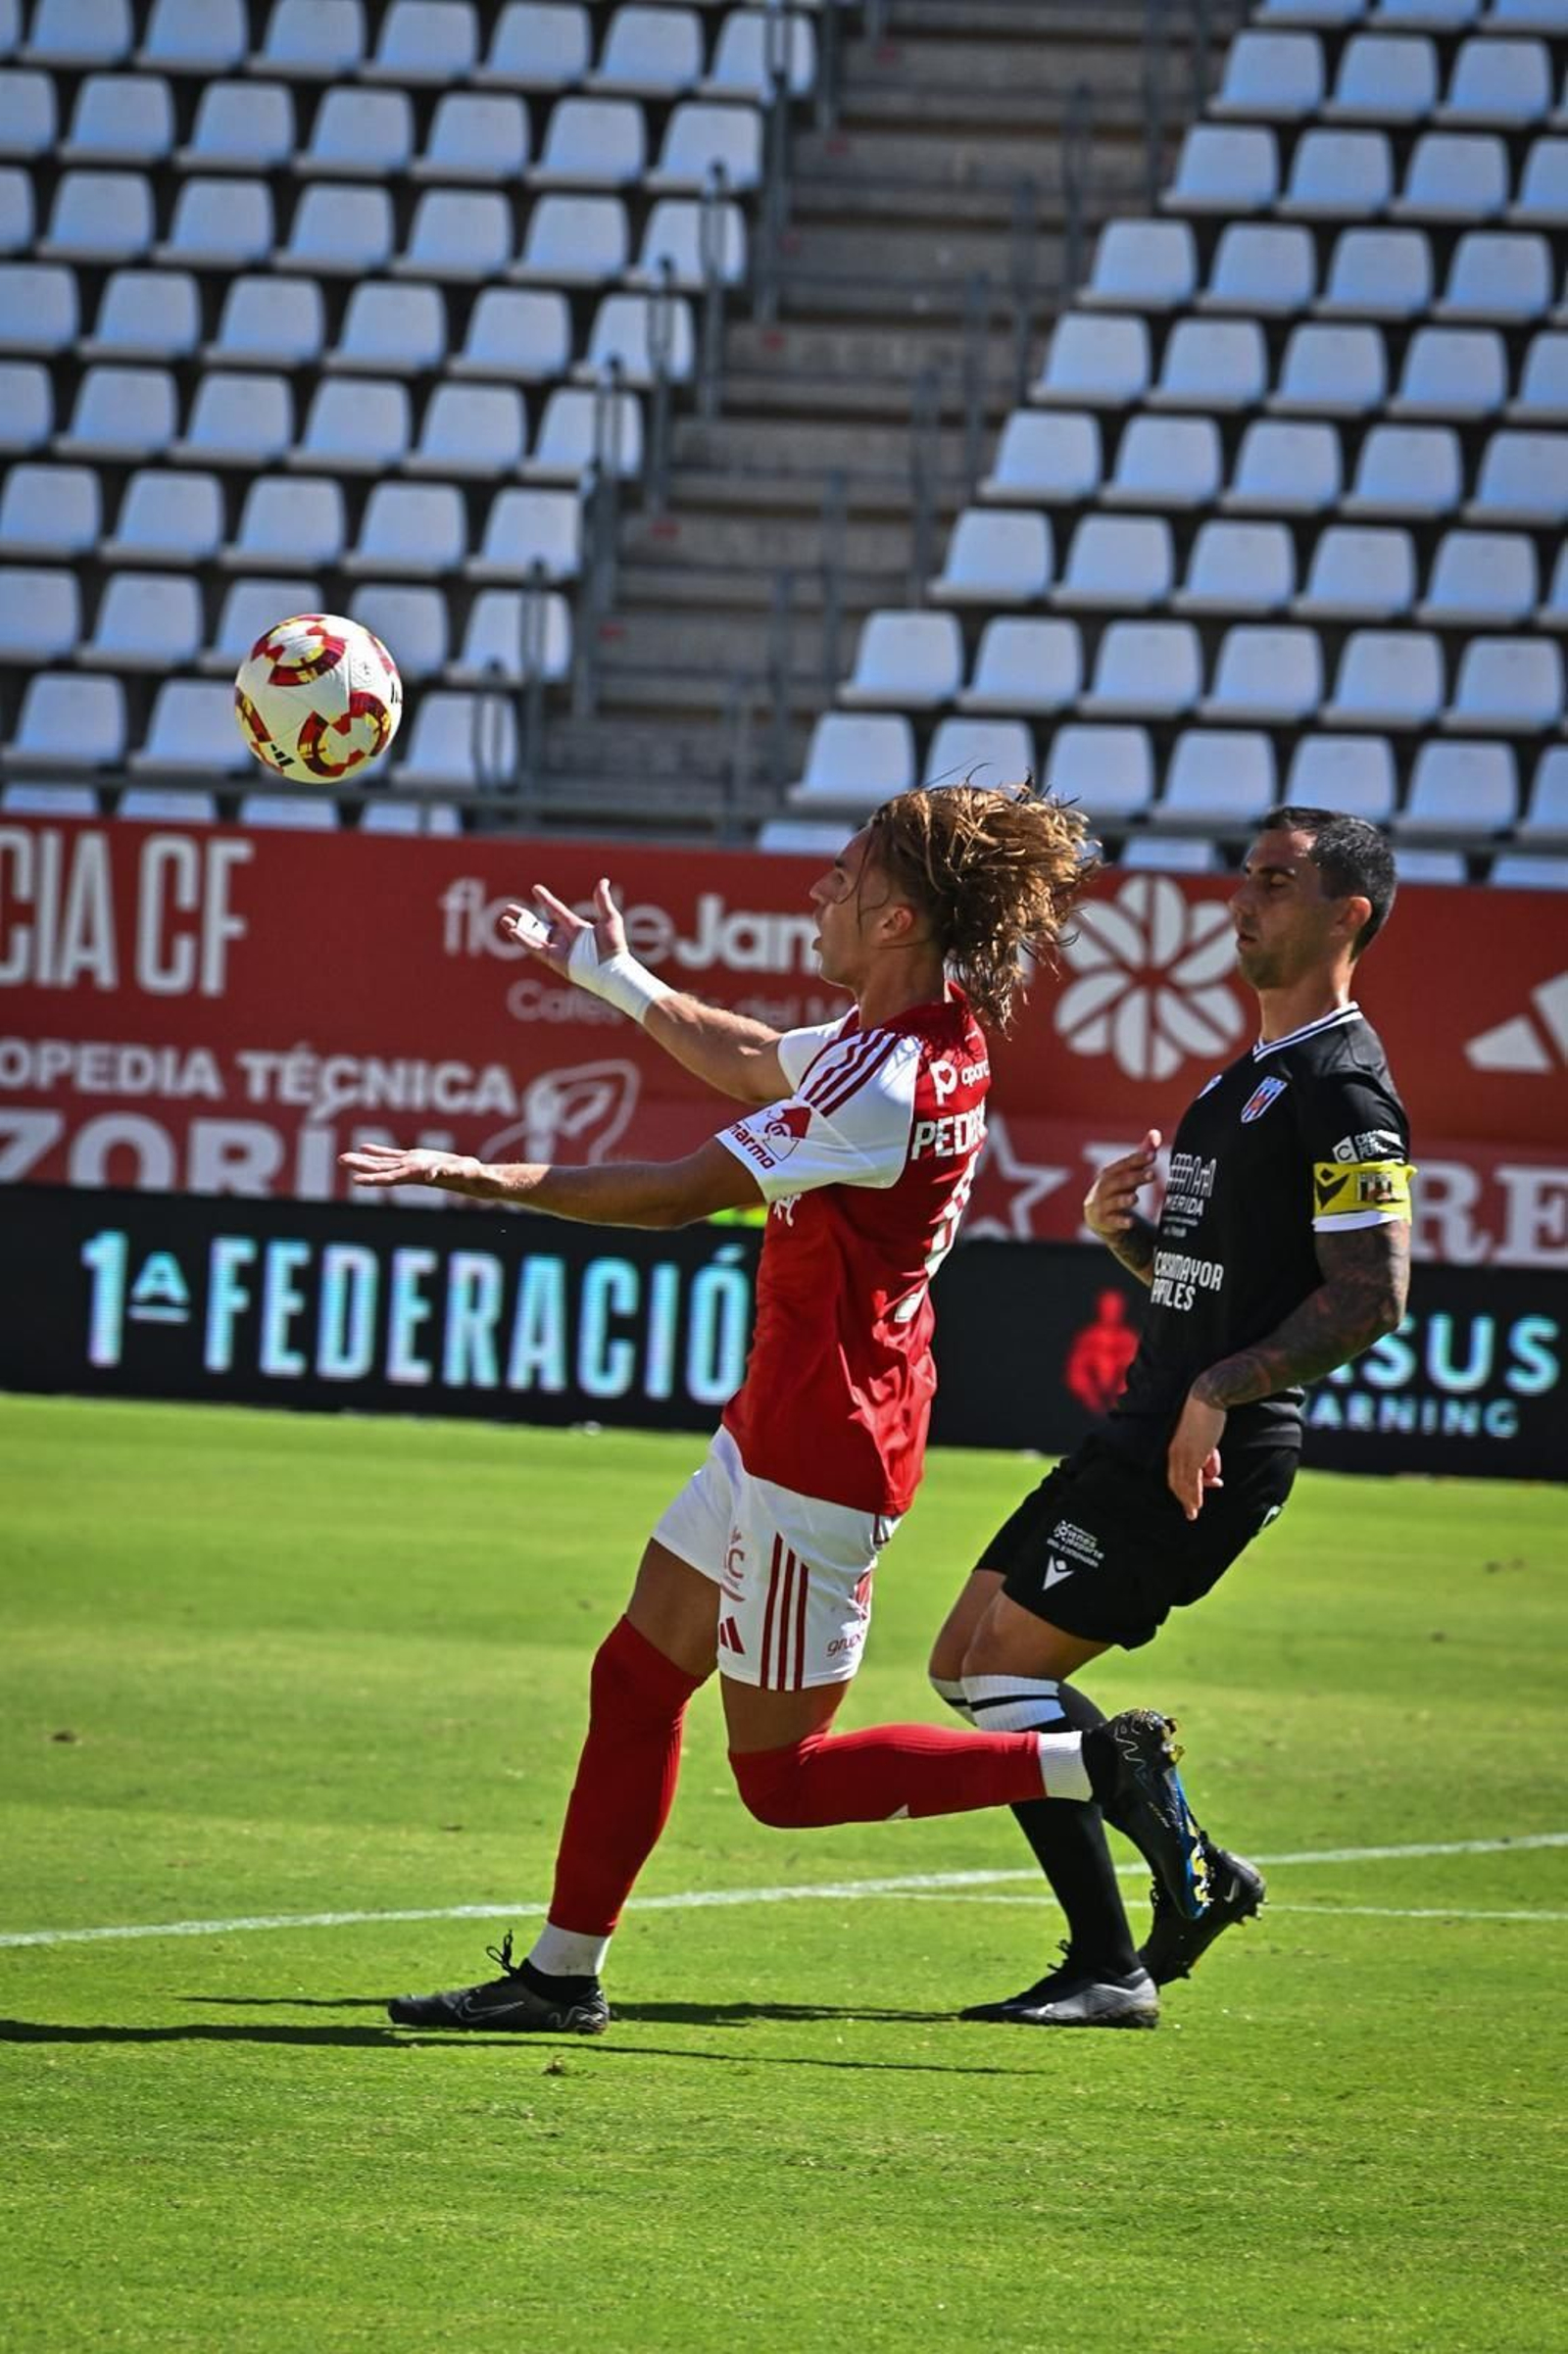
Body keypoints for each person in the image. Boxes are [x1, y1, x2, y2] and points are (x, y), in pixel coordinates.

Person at [342, 783, 1205, 2034]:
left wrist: (486, 1176)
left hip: (821, 1451)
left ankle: (1091, 1761)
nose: (818, 894)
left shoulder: (887, 1080)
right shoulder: (909, 1035)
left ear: (898, 915)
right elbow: (752, 1056)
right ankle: (559, 1972)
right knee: (635, 1679)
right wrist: (622, 981)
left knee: (784, 1782)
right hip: (782, 1421)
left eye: (842, 878)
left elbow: (679, 1191)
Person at [928, 806, 1414, 2029]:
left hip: (1205, 1446)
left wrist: (1217, 1391)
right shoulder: (1248, 1071)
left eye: (1275, 882)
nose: (1241, 899)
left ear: (1346, 913)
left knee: (1000, 1681)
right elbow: (1218, 1290)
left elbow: (1374, 1294)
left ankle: (1111, 1965)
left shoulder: (1343, 1086)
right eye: (1241, 876)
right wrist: (1128, 1240)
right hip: (1143, 1423)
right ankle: (1190, 1862)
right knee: (962, 1663)